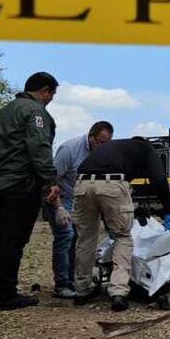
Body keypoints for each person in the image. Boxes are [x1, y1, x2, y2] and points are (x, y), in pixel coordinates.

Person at [0, 72, 60, 311]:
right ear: (45, 91)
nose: (50, 100)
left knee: (0, 238)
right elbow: (39, 148)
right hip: (20, 184)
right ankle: (5, 294)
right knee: (13, 240)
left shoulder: (4, 111)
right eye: (51, 95)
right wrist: (50, 180)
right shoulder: (35, 112)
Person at [72, 137, 170, 312]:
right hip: (112, 183)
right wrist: (169, 210)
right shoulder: (147, 149)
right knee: (123, 237)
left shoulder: (116, 147)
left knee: (86, 238)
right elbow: (158, 179)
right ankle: (118, 291)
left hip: (82, 183)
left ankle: (82, 289)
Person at [42, 121, 114, 299]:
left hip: (81, 200)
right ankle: (61, 285)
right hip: (60, 196)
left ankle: (75, 279)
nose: (104, 147)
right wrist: (58, 208)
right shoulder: (69, 150)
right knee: (65, 236)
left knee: (80, 239)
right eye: (101, 142)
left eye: (108, 143)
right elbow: (50, 180)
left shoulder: (103, 154)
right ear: (91, 136)